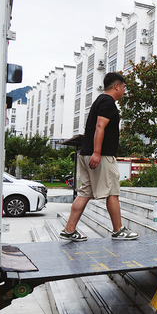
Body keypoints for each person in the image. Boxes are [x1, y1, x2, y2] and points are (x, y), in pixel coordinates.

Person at [60, 72, 139, 242]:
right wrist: (97, 152)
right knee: (112, 192)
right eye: (124, 87)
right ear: (117, 86)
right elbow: (100, 127)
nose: (124, 90)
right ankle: (118, 230)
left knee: (85, 193)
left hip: (86, 154)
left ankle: (69, 229)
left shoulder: (99, 101)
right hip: (100, 156)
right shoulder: (108, 102)